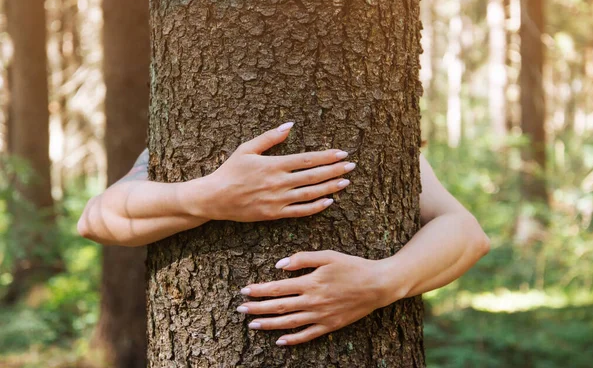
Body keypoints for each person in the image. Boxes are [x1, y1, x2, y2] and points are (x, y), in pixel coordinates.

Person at [78, 122, 490, 347]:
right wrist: (208, 197)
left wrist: (383, 281)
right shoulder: (186, 130)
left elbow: (467, 233)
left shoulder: (375, 134)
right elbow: (97, 219)